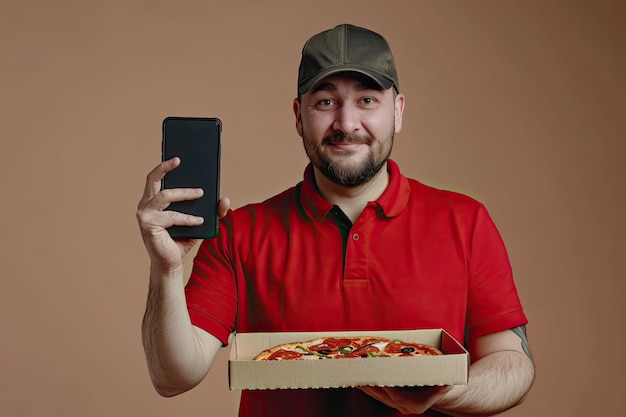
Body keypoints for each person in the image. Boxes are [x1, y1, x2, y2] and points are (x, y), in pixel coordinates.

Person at [137, 24, 535, 416]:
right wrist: (166, 269)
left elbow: (512, 365)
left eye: (367, 101)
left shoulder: (465, 221)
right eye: (326, 102)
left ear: (397, 112)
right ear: (298, 115)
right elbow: (173, 377)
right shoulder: (241, 231)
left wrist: (441, 394)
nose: (346, 124)